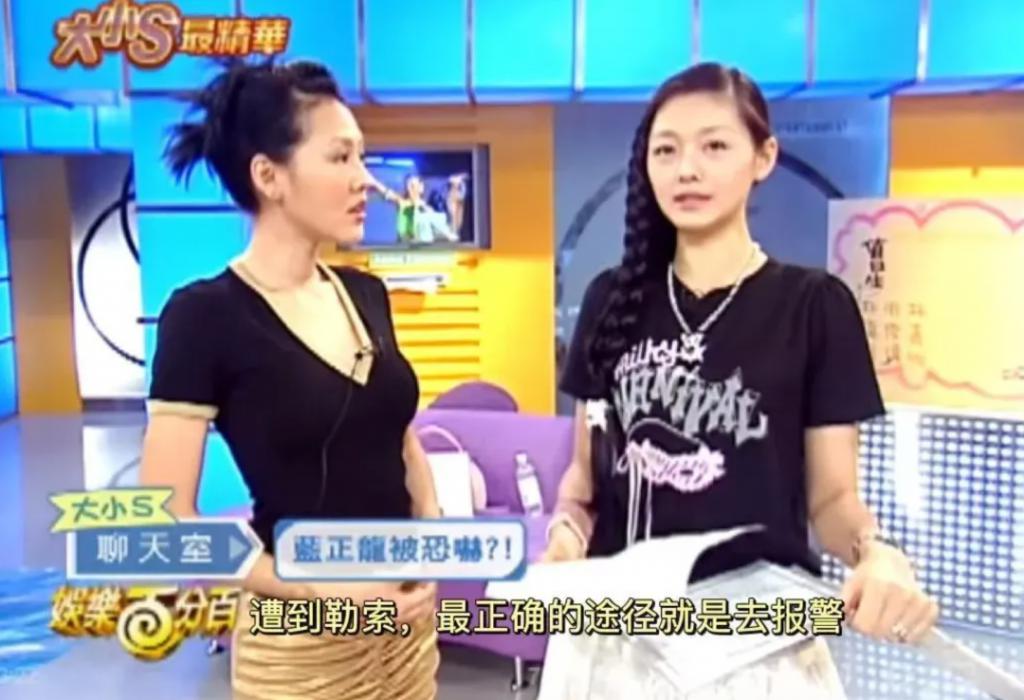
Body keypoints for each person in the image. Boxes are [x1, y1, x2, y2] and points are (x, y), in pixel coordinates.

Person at [542, 63, 939, 688]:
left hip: (757, 646)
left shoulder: (815, 306)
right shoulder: (609, 301)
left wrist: (877, 551)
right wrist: (563, 542)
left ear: (764, 157)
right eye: (666, 150)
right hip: (615, 645)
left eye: (714, 146)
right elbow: (584, 481)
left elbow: (833, 499)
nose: (687, 169)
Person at [139, 58, 441, 700]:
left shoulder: (366, 294)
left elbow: (401, 439)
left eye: (363, 157)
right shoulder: (203, 316)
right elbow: (166, 517)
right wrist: (315, 589)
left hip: (407, 641)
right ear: (269, 176)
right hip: (300, 652)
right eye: (340, 158)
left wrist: (433, 539)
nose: (366, 181)